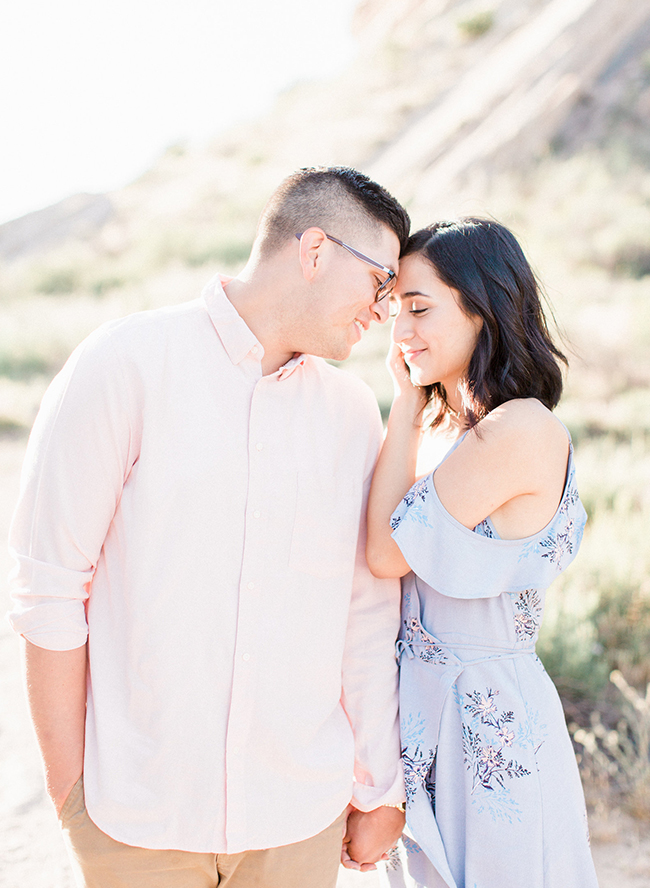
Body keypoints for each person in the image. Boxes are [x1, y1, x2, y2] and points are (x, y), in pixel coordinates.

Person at [7, 166, 410, 888]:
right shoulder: (124, 364)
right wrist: (70, 793)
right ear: (315, 250)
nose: (383, 310)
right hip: (137, 820)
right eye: (380, 282)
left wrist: (380, 786)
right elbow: (50, 590)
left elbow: (365, 613)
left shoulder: (351, 414)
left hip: (298, 820)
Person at [366, 218, 599, 887]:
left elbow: (385, 553)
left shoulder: (519, 427)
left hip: (487, 718)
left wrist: (404, 403)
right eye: (394, 310)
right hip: (426, 716)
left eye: (419, 308)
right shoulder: (451, 434)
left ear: (482, 308)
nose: (401, 330)